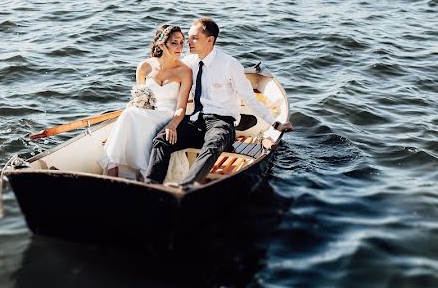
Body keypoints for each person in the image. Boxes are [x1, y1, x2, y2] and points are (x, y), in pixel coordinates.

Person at [145, 17, 294, 186]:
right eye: (189, 37)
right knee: (162, 140)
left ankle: (184, 187)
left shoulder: (229, 64)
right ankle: (151, 186)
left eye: (194, 38)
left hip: (221, 123)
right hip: (194, 121)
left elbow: (249, 98)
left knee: (213, 145)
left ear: (210, 40)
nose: (188, 42)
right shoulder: (187, 63)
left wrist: (275, 124)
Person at [97, 24, 193, 179]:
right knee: (130, 112)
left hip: (168, 116)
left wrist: (173, 124)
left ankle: (137, 172)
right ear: (162, 44)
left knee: (133, 116)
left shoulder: (185, 71)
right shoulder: (145, 67)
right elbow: (138, 99)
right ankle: (114, 168)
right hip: (147, 112)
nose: (180, 47)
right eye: (174, 42)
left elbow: (181, 107)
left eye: (182, 42)